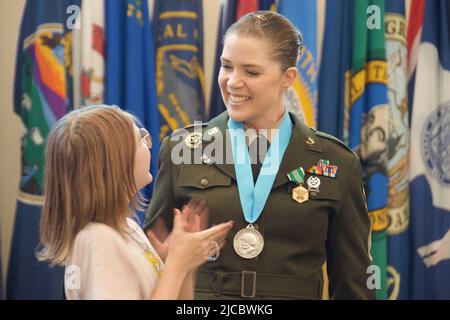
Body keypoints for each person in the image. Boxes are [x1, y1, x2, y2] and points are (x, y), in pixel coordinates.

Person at [144, 11, 375, 300]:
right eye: (226, 66)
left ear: (287, 78)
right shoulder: (182, 150)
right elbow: (150, 263)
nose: (232, 82)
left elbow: (354, 284)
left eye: (251, 72)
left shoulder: (336, 162)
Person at [38, 105, 233, 300]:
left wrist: (184, 264)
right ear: (116, 162)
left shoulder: (126, 227)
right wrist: (176, 263)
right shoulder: (98, 238)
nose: (149, 145)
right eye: (141, 139)